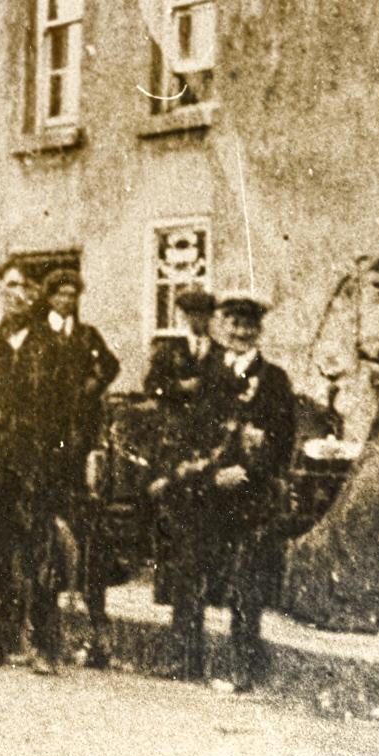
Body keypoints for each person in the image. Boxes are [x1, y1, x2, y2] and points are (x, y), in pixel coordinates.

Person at [167, 291, 298, 692]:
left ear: (258, 331)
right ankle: (185, 661)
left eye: (248, 326)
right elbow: (189, 432)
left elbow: (282, 440)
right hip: (208, 492)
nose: (241, 332)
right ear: (223, 326)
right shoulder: (206, 373)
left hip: (248, 495)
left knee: (246, 582)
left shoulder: (273, 379)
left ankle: (242, 665)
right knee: (191, 573)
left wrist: (250, 472)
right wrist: (207, 476)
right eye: (235, 324)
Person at [0, 257, 72, 674]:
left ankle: (44, 646)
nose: (18, 294)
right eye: (11, 286)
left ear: (36, 296)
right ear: (1, 291)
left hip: (36, 469)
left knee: (41, 556)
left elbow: (66, 415)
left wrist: (60, 466)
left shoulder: (53, 349)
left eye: (26, 288)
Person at [40, 268, 122, 667]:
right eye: (60, 295)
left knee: (85, 533)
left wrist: (93, 385)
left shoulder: (87, 336)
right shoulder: (39, 336)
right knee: (45, 534)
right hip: (45, 445)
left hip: (78, 446)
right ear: (50, 297)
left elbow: (111, 365)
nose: (66, 301)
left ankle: (93, 631)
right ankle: (46, 630)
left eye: (73, 295)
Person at [142, 288, 217, 605]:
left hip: (207, 439)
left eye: (203, 315)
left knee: (204, 511)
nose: (198, 321)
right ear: (185, 317)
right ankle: (167, 587)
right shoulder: (169, 350)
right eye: (192, 315)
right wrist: (179, 387)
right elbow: (151, 386)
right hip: (173, 438)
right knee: (171, 509)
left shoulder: (220, 353)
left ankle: (206, 588)